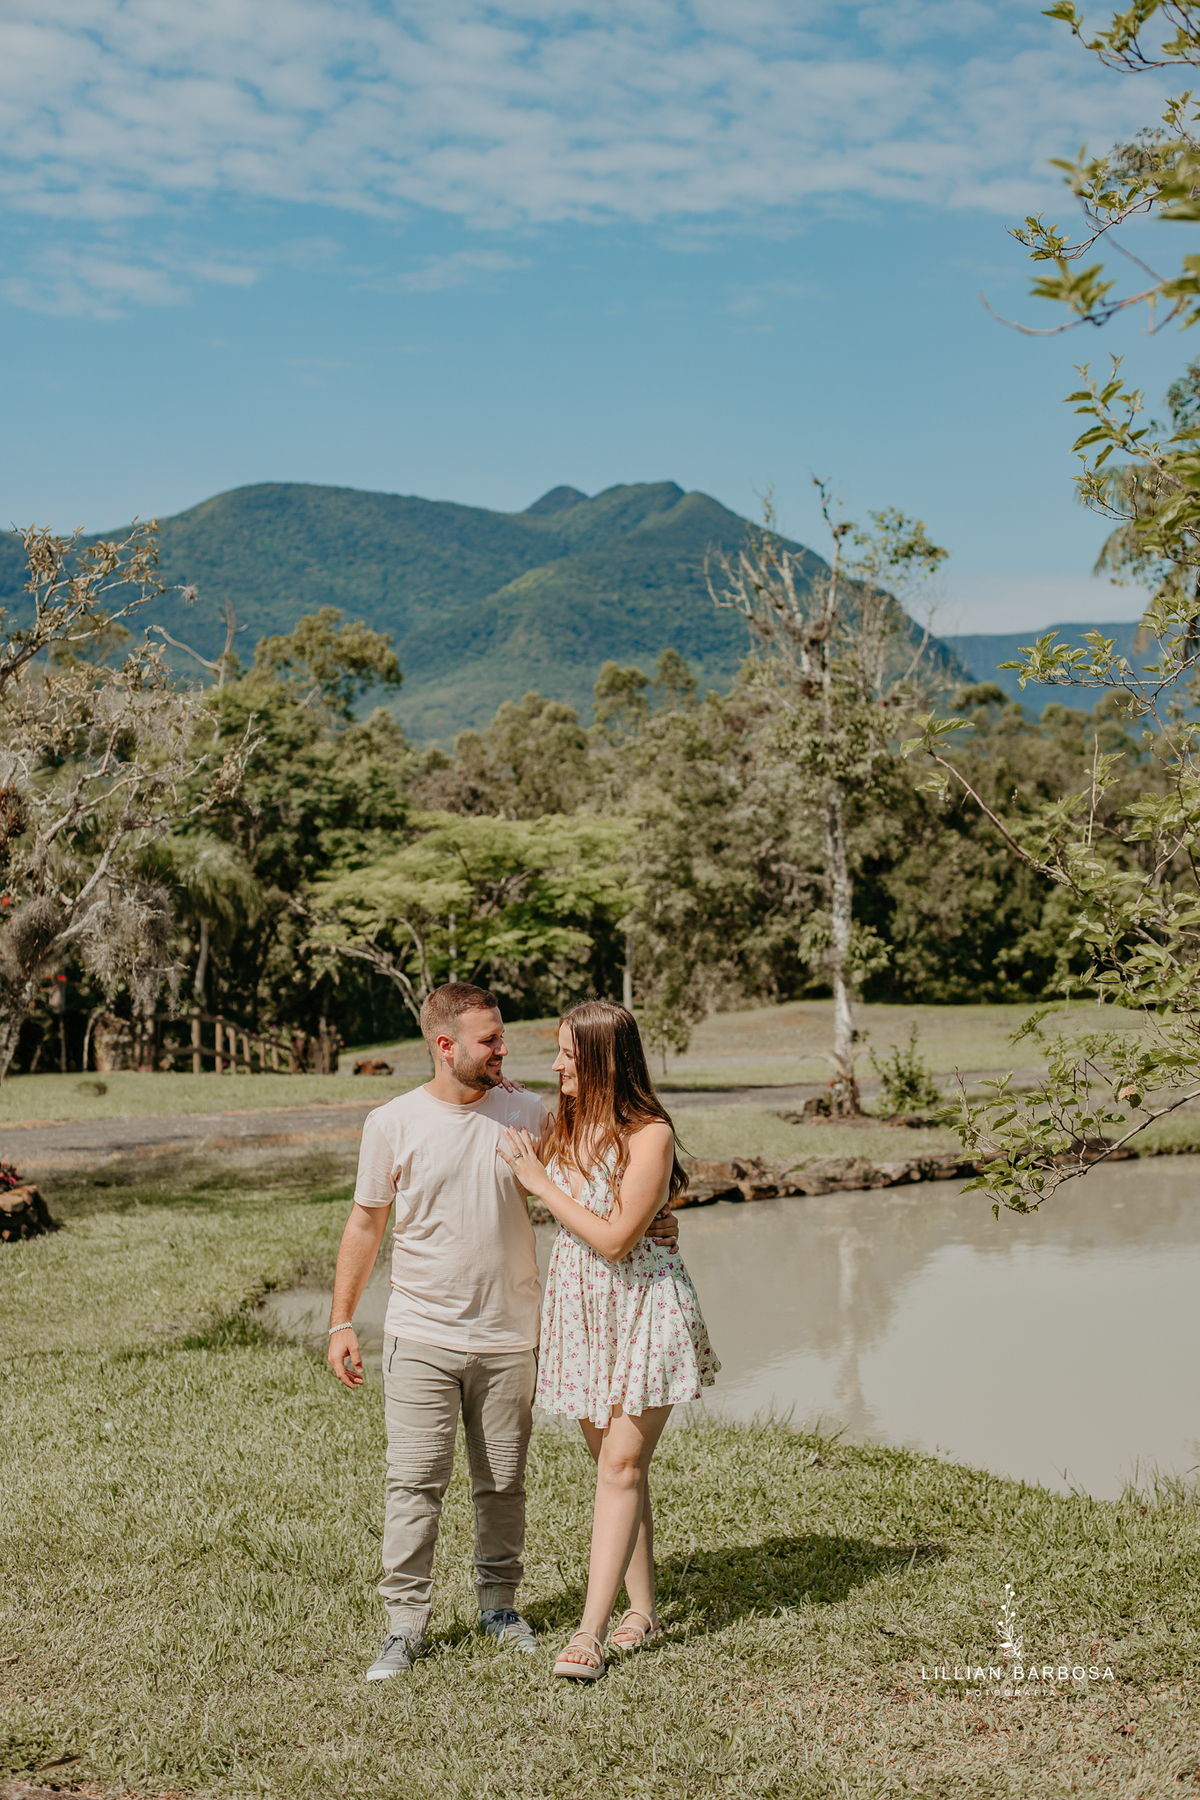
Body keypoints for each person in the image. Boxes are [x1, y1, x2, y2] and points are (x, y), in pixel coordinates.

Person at [326, 981, 678, 1681]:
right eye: (490, 1040)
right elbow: (366, 1222)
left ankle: (499, 1608)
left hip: (513, 1335)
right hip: (420, 1331)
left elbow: (608, 1173)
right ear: (444, 1045)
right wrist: (342, 1319)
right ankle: (404, 1626)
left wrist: (663, 1218)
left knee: (504, 1485)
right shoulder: (390, 1122)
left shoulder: (526, 1111)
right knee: (414, 1483)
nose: (506, 1050)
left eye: (505, 1037)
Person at [497, 999, 718, 1681]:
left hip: (644, 1305)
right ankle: (642, 1611)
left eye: (568, 1052)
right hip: (582, 1312)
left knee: (620, 1467)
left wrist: (539, 1185)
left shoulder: (647, 1133)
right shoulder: (559, 1121)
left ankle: (589, 1633)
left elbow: (621, 1240)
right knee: (619, 1470)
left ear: (601, 1058)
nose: (557, 1062)